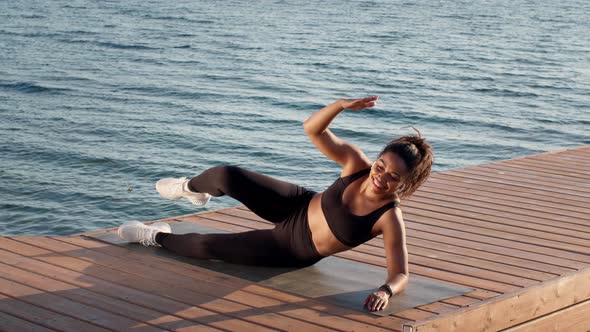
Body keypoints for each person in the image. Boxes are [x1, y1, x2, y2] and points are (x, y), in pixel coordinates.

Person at [118, 96, 433, 312]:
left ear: (406, 184)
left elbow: (400, 273)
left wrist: (385, 291)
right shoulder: (356, 165)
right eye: (381, 166)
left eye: (393, 177)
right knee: (227, 176)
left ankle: (155, 236)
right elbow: (313, 128)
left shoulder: (389, 218)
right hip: (297, 205)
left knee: (208, 247)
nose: (380, 177)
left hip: (292, 248)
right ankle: (191, 189)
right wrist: (340, 105)